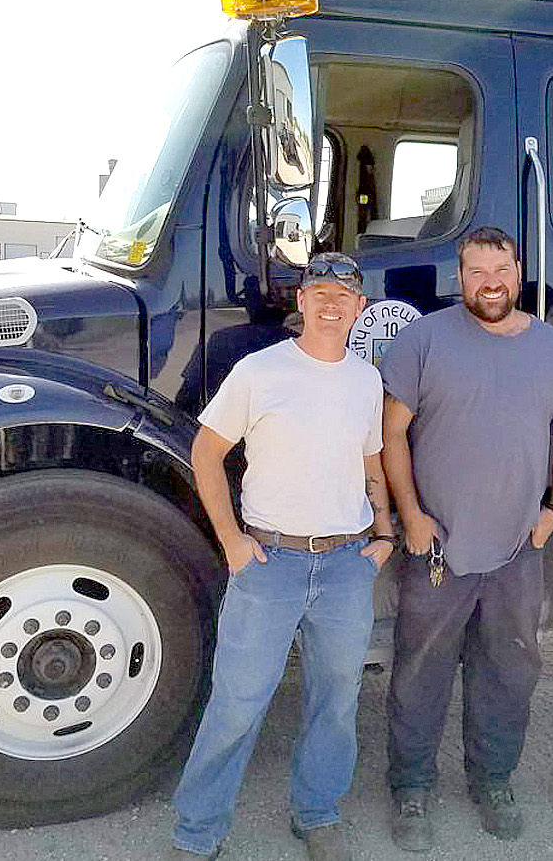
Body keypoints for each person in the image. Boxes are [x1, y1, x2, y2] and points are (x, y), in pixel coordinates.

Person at [378, 226, 553, 851]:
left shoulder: (551, 347)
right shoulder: (424, 340)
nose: (490, 284)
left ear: (517, 272)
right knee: (420, 671)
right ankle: (411, 788)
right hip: (438, 548)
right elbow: (391, 433)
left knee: (508, 671)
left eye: (500, 270)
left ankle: (493, 781)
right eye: (476, 273)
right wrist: (411, 514)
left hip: (517, 550)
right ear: (460, 278)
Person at [170, 252, 395, 861]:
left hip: (346, 566)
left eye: (343, 297)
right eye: (319, 294)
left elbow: (371, 462)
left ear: (360, 308)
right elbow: (206, 451)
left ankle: (318, 813)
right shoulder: (259, 371)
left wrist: (383, 537)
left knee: (336, 700)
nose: (331, 305)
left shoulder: (366, 380)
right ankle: (197, 832)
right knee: (237, 703)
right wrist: (232, 541)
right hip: (270, 564)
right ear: (301, 302)